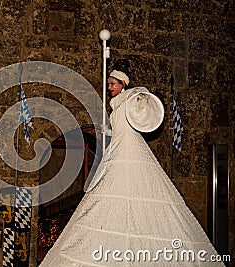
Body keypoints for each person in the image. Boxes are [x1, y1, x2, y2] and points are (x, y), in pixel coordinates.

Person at [39, 69, 224, 266]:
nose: (109, 87)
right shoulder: (116, 105)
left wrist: (141, 98)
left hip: (129, 149)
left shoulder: (130, 98)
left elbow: (142, 103)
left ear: (123, 84)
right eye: (108, 83)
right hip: (117, 149)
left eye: (113, 84)